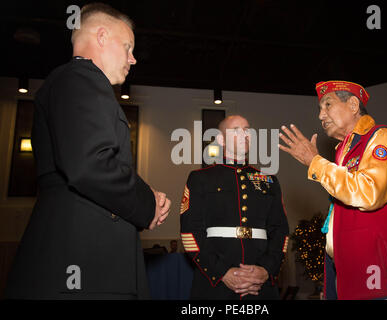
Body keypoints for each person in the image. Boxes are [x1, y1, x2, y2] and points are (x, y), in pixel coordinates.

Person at [5, 3, 171, 299]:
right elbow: (90, 165)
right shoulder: (81, 77)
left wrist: (144, 194)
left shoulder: (73, 82)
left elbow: (92, 162)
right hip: (83, 262)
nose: (133, 59)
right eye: (128, 46)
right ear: (103, 36)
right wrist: (146, 203)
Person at [279, 80, 387, 300]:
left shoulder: (381, 137)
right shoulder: (344, 152)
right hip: (356, 278)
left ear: (354, 105)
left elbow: (368, 193)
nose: (321, 115)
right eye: (319, 109)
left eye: (327, 105)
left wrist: (315, 162)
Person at [180, 115, 289, 299]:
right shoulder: (201, 179)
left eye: (247, 129)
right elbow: (190, 232)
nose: (244, 134)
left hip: (260, 284)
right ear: (221, 139)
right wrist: (222, 272)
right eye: (236, 130)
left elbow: (280, 231)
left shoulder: (269, 180)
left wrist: (266, 270)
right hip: (215, 283)